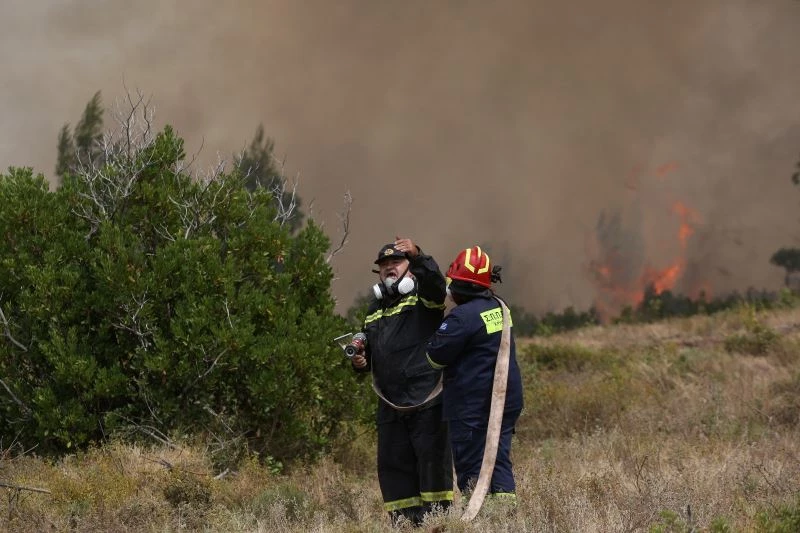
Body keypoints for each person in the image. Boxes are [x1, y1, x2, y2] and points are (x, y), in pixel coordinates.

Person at [350, 236, 453, 526]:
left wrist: (419, 255)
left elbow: (436, 283)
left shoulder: (425, 298)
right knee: (394, 471)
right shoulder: (374, 309)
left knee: (433, 469)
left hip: (427, 405)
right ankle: (405, 526)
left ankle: (438, 526)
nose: (388, 268)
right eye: (383, 265)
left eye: (395, 262)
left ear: (410, 268)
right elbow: (370, 351)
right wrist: (361, 361)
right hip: (391, 408)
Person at [426, 245, 524, 504]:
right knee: (498, 458)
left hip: (473, 407)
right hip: (504, 401)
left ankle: (479, 516)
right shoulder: (500, 307)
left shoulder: (461, 318)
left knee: (472, 466)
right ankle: (505, 515)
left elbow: (434, 357)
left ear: (457, 287)